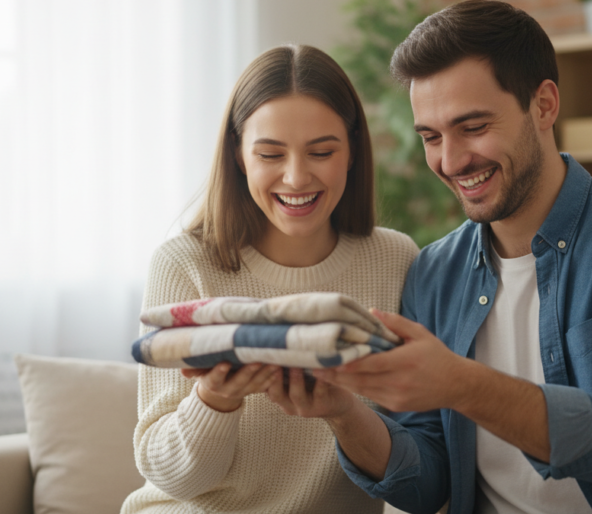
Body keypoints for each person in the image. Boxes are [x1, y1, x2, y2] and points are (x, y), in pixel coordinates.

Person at [270, 0, 592, 513]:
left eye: (474, 126)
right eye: (431, 137)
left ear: (545, 105)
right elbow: (427, 483)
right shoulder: (434, 272)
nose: (452, 160)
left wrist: (459, 383)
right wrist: (344, 413)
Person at [120, 44, 419, 514]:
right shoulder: (184, 263)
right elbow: (170, 478)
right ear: (239, 156)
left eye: (321, 151)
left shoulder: (395, 259)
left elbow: (416, 462)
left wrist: (344, 411)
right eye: (270, 154)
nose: (296, 177)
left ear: (354, 152)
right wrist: (215, 397)